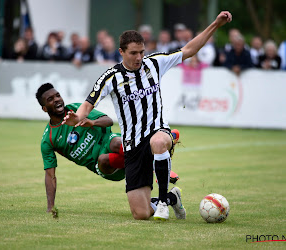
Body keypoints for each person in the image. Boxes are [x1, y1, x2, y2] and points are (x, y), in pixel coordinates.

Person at [62, 11, 232, 221]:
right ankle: (171, 198)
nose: (139, 57)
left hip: (157, 131)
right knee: (140, 214)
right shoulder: (111, 77)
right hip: (133, 145)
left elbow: (189, 49)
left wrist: (215, 24)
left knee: (159, 141)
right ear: (121, 52)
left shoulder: (154, 63)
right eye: (133, 53)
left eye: (142, 52)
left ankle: (161, 202)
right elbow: (88, 104)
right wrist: (77, 118)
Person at [36, 83, 179, 213]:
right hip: (103, 165)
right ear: (44, 108)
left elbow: (108, 121)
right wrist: (50, 206)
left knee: (117, 143)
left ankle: (170, 196)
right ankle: (157, 157)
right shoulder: (48, 139)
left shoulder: (76, 110)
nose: (56, 100)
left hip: (110, 142)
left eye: (57, 95)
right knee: (103, 159)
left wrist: (92, 122)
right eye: (50, 99)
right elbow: (50, 175)